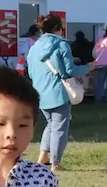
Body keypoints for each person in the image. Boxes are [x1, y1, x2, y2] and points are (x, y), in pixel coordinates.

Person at [26, 14, 90, 171]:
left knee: (50, 124)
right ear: (57, 29)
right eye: (62, 28)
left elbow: (31, 72)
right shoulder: (61, 44)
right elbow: (70, 70)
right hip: (58, 92)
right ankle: (56, 162)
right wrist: (89, 67)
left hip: (40, 92)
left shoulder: (34, 47)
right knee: (60, 127)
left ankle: (43, 156)